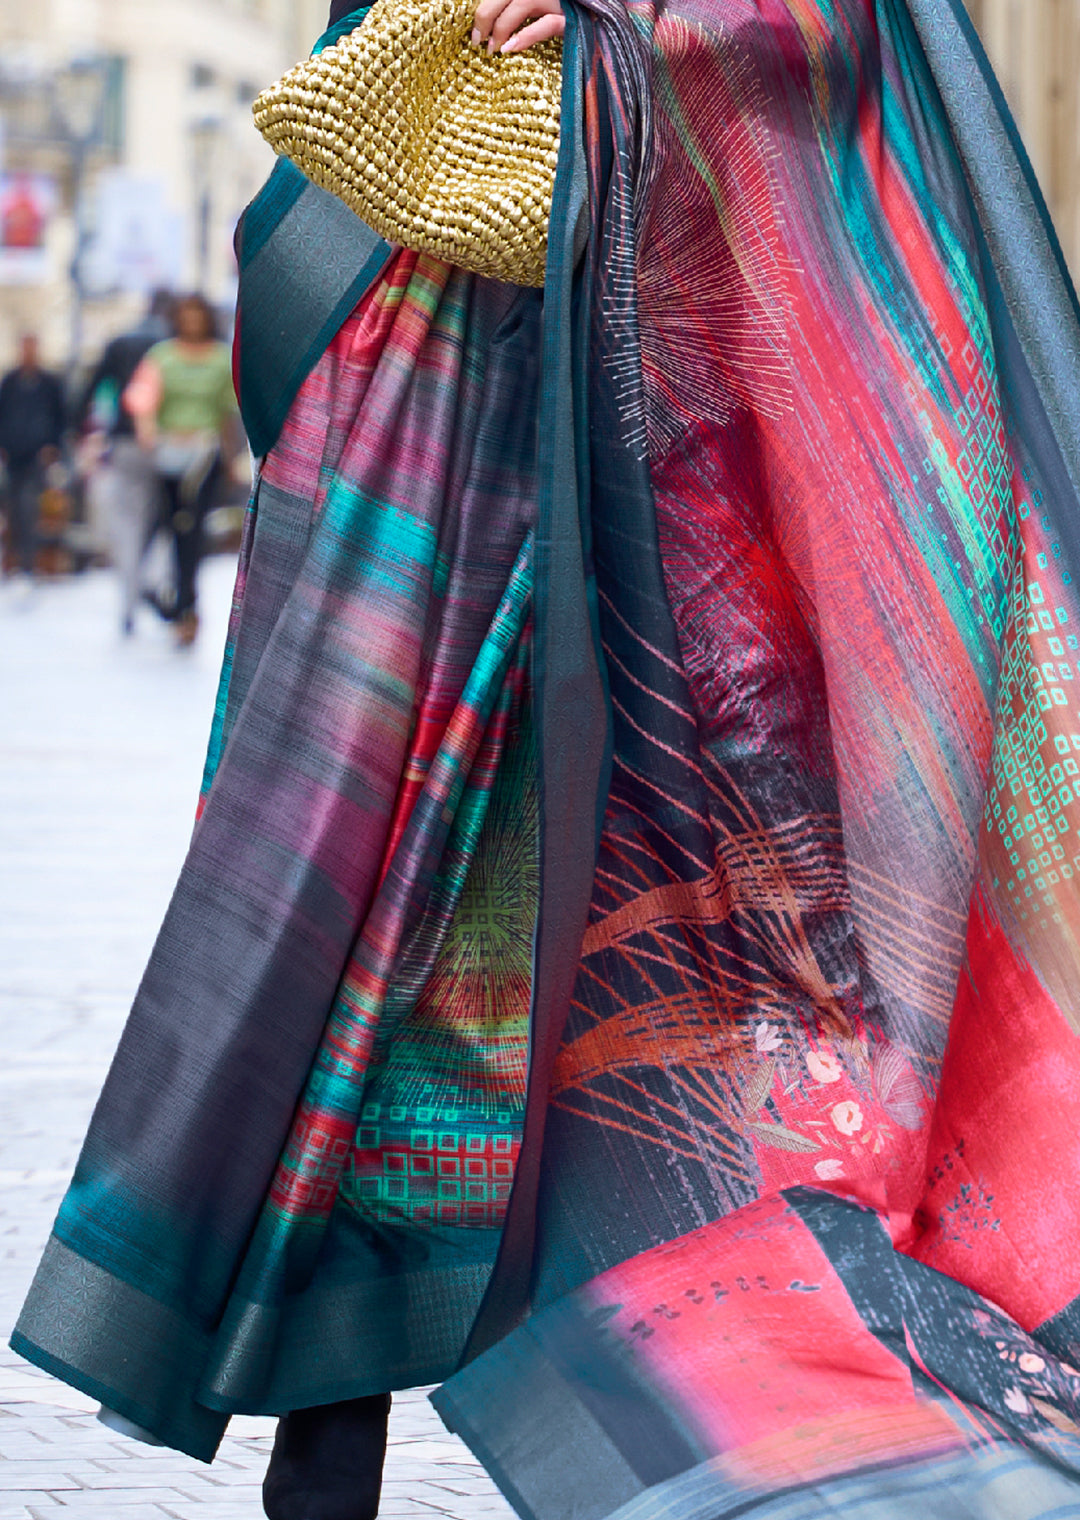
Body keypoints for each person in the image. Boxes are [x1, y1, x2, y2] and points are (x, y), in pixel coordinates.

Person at [13, 2, 1080, 1519]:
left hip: (649, 488)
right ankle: (325, 1398)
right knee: (364, 916)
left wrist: (621, 36)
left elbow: (838, 44)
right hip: (421, 430)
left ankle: (665, 1376)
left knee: (658, 980)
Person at [123, 294, 237, 647]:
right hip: (166, 457)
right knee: (171, 527)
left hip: (203, 457)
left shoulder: (220, 359)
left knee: (192, 529)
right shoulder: (163, 357)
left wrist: (232, 457)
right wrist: (148, 433)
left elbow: (226, 413)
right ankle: (170, 598)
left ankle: (187, 606)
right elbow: (142, 398)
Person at [78, 291, 174, 635]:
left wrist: (78, 429)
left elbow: (90, 388)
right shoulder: (171, 343)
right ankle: (152, 579)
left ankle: (129, 598)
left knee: (128, 521)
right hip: (166, 441)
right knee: (163, 518)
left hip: (124, 441)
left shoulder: (120, 343)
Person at [0, 334, 66, 586]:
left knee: (32, 505)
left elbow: (61, 416)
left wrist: (53, 447)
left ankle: (28, 561)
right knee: (13, 505)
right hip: (13, 453)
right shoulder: (10, 381)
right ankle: (16, 558)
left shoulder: (49, 382)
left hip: (39, 455)